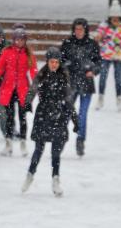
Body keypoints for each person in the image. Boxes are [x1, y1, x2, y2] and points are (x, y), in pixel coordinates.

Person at [21, 47, 78, 197]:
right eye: (52, 62)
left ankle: (55, 179)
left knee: (55, 152)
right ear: (47, 62)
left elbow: (68, 98)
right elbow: (33, 89)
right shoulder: (42, 74)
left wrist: (74, 118)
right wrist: (27, 102)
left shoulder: (63, 75)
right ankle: (30, 175)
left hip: (58, 115)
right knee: (38, 149)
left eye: (56, 62)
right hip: (43, 114)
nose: (54, 65)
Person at [0, 25, 37, 157]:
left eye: (21, 39)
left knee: (22, 117)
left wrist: (38, 87)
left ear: (25, 40)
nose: (19, 42)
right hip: (8, 89)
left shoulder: (29, 54)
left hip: (22, 89)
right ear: (13, 40)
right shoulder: (7, 52)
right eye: (16, 39)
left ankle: (23, 143)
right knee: (9, 117)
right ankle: (8, 144)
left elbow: (34, 72)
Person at [60, 18, 101, 157]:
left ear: (85, 30)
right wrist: (66, 67)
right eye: (76, 29)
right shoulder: (67, 43)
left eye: (81, 29)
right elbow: (60, 60)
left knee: (83, 114)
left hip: (86, 83)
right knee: (66, 112)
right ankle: (61, 138)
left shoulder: (92, 44)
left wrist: (93, 71)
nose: (78, 32)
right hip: (70, 82)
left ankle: (80, 140)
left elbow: (99, 62)